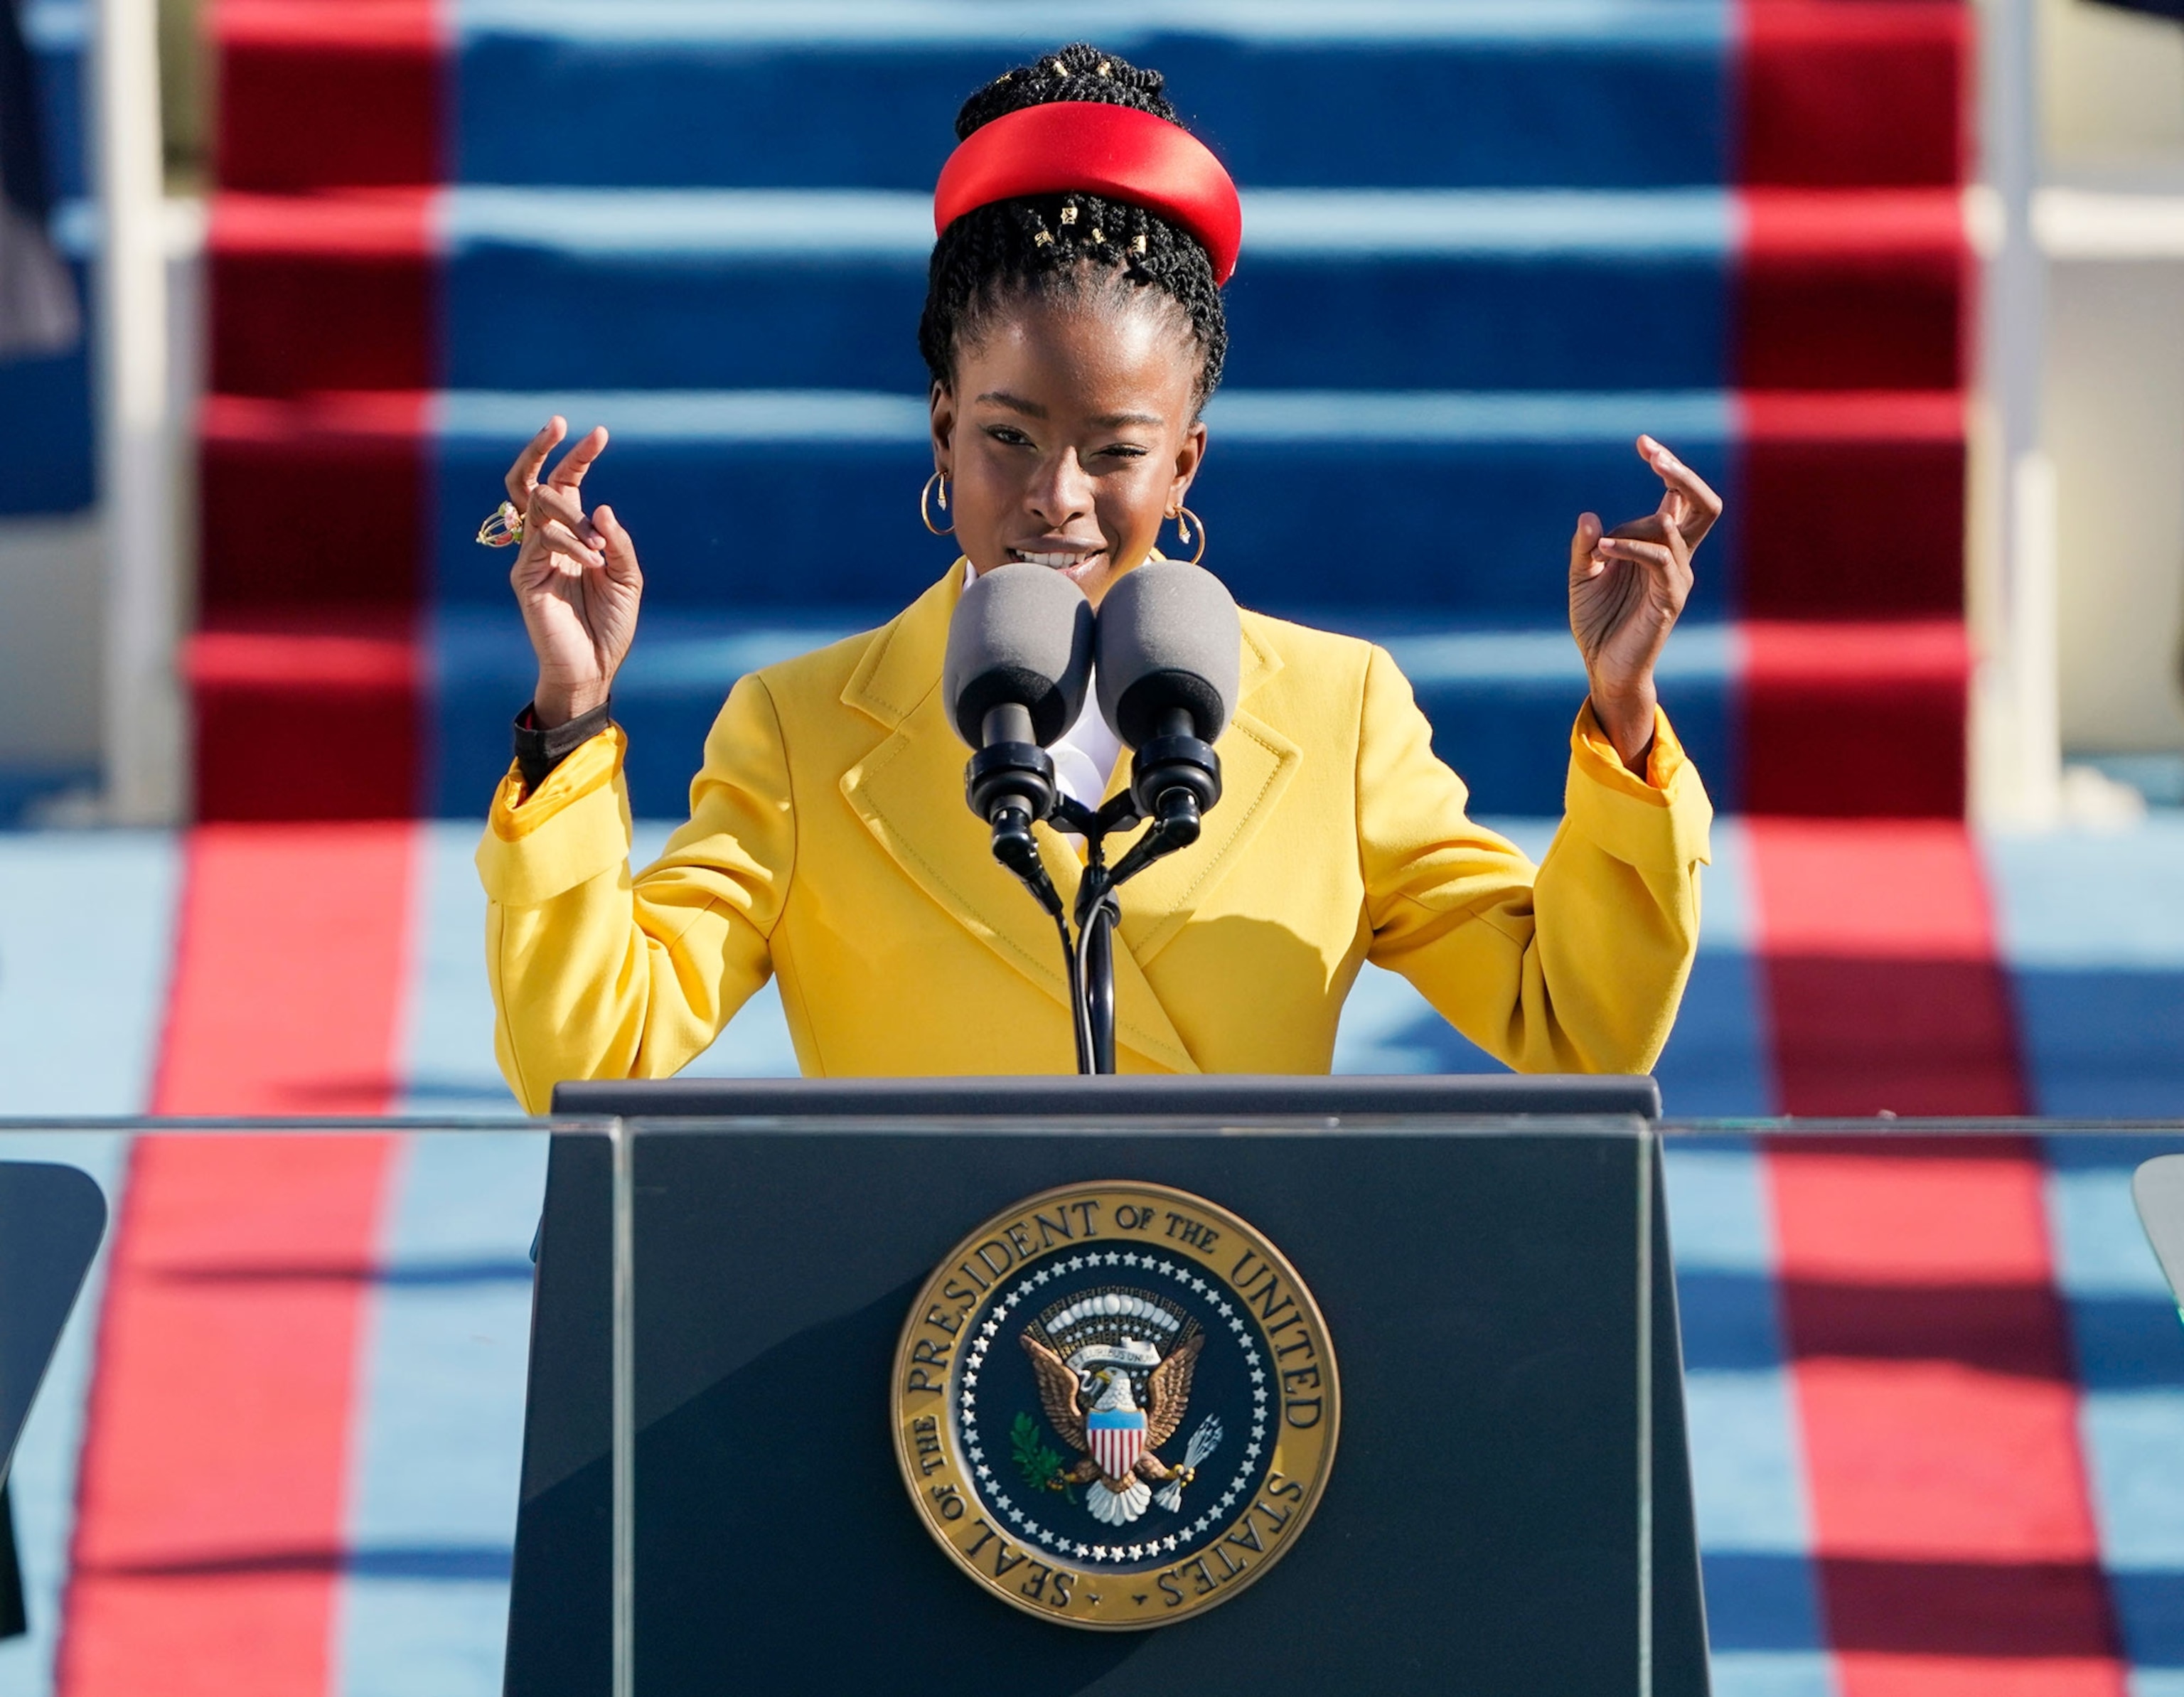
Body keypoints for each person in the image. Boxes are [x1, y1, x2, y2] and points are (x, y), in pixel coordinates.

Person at [476, 44, 1716, 1110]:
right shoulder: (799, 733)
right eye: (1007, 437)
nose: (1056, 496)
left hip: (1251, 1358)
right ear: (941, 432)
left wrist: (1623, 715)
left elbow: (1577, 1027)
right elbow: (585, 1059)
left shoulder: (1340, 713)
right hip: (917, 1364)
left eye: (1116, 452)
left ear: (1185, 464)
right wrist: (570, 716)